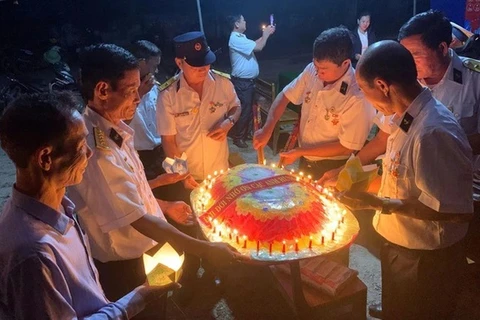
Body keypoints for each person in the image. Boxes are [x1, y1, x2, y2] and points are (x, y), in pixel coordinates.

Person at [68, 44, 244, 307]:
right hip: (126, 265)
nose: (138, 99)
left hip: (145, 249)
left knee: (161, 303)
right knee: (145, 311)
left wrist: (163, 204)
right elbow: (137, 219)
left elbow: (128, 194)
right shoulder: (98, 149)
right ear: (103, 90)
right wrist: (206, 249)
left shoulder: (114, 130)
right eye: (131, 92)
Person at [0, 92, 176, 319]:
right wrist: (143, 294)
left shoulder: (61, 207)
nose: (90, 153)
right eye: (82, 145)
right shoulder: (33, 254)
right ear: (45, 159)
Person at [339, 40, 473, 320]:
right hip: (402, 247)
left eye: (365, 90)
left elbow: (453, 211)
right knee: (397, 310)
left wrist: (379, 203)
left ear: (383, 86)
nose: (366, 98)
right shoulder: (408, 118)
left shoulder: (432, 133)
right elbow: (403, 175)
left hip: (425, 261)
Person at [253, 26, 375, 179]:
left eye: (323, 69)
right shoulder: (312, 71)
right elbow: (284, 96)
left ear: (345, 64)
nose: (317, 72)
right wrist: (267, 128)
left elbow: (346, 147)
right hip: (305, 158)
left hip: (333, 168)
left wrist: (301, 151)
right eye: (316, 65)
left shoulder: (357, 95)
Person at [157, 31, 241, 185]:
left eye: (206, 62)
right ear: (179, 63)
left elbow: (236, 106)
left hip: (220, 171)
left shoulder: (223, 83)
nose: (203, 68)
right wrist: (182, 174)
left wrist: (228, 122)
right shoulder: (168, 95)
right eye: (196, 65)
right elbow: (168, 140)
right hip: (190, 176)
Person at [127, 40, 189, 202]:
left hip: (162, 153)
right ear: (141, 63)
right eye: (154, 66)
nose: (157, 70)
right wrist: (138, 95)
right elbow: (120, 123)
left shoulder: (156, 88)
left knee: (175, 195)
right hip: (140, 158)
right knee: (148, 199)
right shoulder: (122, 92)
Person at [227, 14, 275, 148]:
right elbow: (259, 47)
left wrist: (266, 34)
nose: (245, 22)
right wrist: (265, 34)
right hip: (243, 82)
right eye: (243, 20)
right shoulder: (235, 39)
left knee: (248, 109)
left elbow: (255, 44)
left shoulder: (241, 38)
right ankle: (238, 137)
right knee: (244, 109)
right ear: (237, 24)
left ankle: (245, 133)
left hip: (248, 82)